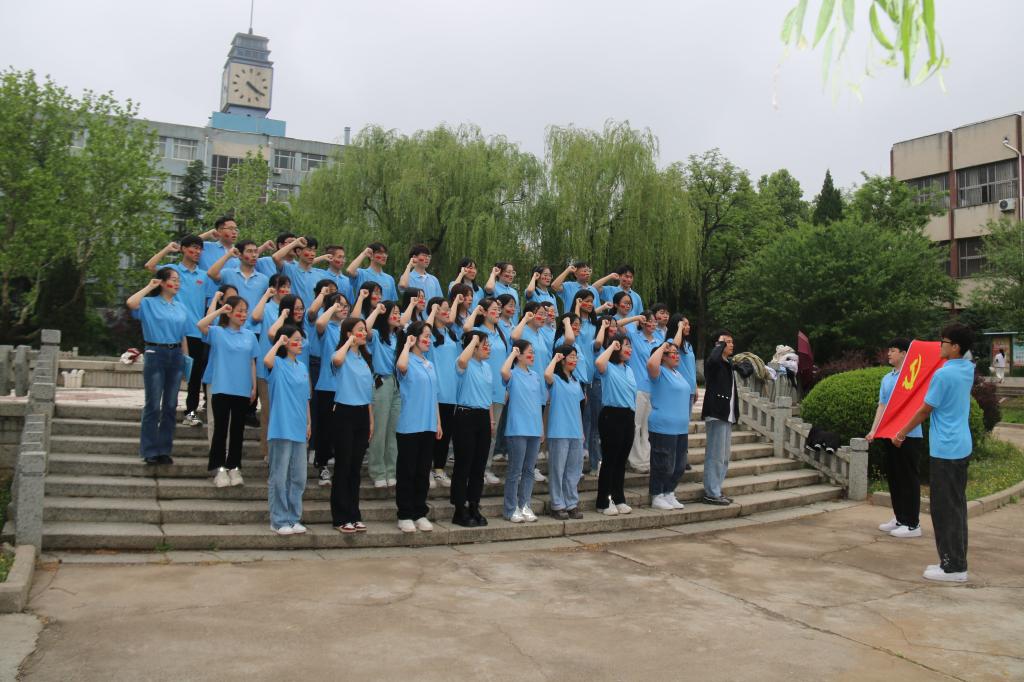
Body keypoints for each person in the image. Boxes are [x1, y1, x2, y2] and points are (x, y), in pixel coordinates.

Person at [894, 323, 976, 583]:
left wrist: (901, 432)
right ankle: (954, 561)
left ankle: (953, 567)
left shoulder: (943, 375)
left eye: (944, 341)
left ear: (956, 347)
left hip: (946, 449)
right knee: (956, 506)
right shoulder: (967, 369)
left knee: (944, 509)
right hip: (961, 445)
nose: (940, 345)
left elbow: (924, 410)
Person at [144, 235, 209, 428]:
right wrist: (167, 249)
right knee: (164, 376)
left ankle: (191, 413)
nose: (197, 251)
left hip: (195, 333)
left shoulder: (204, 276)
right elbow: (150, 266)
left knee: (194, 377)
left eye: (200, 248)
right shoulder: (173, 272)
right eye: (193, 247)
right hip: (172, 333)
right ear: (183, 249)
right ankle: (158, 412)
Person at [126, 268, 190, 465]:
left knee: (170, 405)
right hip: (155, 353)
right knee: (153, 404)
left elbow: (183, 335)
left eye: (179, 280)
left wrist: (186, 360)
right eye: (173, 279)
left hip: (176, 354)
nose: (177, 283)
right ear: (162, 282)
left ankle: (164, 449)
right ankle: (149, 451)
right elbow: (131, 303)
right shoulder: (149, 303)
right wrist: (149, 286)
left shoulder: (181, 307)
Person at [197, 295, 259, 487]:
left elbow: (252, 362)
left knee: (238, 431)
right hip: (222, 387)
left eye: (245, 311)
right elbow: (201, 325)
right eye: (239, 311)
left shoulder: (249, 335)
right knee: (220, 430)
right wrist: (220, 310)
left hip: (242, 389)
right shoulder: (217, 332)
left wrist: (254, 386)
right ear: (229, 312)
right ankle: (220, 468)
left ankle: (234, 467)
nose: (243, 314)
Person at [866, 338, 924, 538]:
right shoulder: (887, 378)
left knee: (908, 479)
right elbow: (882, 406)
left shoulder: (913, 378)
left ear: (904, 353)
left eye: (893, 350)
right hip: (889, 435)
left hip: (909, 436)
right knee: (895, 478)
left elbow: (919, 407)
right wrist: (874, 430)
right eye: (888, 350)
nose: (889, 354)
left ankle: (913, 524)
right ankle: (900, 518)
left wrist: (904, 432)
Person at [329, 314, 380, 533]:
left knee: (355, 468)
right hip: (344, 412)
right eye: (359, 329)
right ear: (349, 333)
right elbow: (337, 361)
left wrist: (370, 420)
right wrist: (349, 341)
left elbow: (367, 394)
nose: (363, 333)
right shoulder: (341, 354)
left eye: (365, 329)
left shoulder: (365, 359)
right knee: (343, 465)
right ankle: (340, 516)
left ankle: (354, 513)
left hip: (362, 413)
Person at [394, 320, 442, 533]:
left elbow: (434, 396)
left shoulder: (429, 363)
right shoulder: (407, 359)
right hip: (410, 425)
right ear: (413, 338)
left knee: (423, 472)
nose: (429, 340)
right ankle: (404, 514)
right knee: (407, 472)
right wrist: (407, 344)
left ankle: (419, 512)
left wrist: (438, 422)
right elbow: (401, 366)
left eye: (430, 336)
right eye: (425, 336)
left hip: (428, 425)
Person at [262, 325, 310, 536]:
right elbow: (267, 361)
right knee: (279, 476)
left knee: (298, 476)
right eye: (295, 340)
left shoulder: (302, 366)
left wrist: (308, 422)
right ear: (286, 341)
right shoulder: (278, 363)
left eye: (301, 340)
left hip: (299, 426)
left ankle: (293, 517)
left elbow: (306, 397)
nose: (299, 344)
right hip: (281, 427)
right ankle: (278, 519)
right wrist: (279, 343)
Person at [312, 292, 358, 486]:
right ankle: (322, 465)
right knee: (326, 429)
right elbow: (319, 323)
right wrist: (332, 307)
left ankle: (341, 468)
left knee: (343, 432)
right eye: (339, 305)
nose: (344, 308)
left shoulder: (349, 330)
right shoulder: (327, 327)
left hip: (346, 387)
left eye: (346, 305)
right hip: (327, 386)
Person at [464, 298, 509, 485]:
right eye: (494, 309)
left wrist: (506, 387)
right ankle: (475, 469)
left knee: (492, 433)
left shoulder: (501, 332)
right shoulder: (478, 332)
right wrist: (477, 311)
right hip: (479, 391)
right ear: (484, 311)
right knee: (478, 435)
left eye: (499, 309)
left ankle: (486, 468)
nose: (498, 312)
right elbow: (466, 329)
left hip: (498, 390)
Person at [451, 331, 493, 527]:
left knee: (479, 466)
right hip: (465, 415)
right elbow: (462, 360)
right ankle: (459, 509)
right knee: (464, 465)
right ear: (473, 347)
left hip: (483, 417)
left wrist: (491, 421)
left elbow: (488, 397)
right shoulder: (464, 363)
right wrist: (475, 339)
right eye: (484, 344)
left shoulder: (487, 367)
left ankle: (474, 505)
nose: (488, 347)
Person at [500, 340, 544, 523]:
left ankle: (525, 504)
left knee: (529, 470)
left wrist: (541, 428)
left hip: (534, 428)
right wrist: (513, 353)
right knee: (515, 470)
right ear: (519, 355)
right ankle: (511, 509)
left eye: (533, 352)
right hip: (517, 428)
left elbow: (538, 403)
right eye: (529, 352)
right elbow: (503, 372)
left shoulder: (536, 376)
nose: (532, 355)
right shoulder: (513, 374)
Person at [250, 275, 293, 459]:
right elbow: (255, 317)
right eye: (282, 286)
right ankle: (267, 451)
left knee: (284, 411)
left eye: (288, 286)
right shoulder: (267, 307)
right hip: (266, 366)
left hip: (287, 367)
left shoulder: (292, 309)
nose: (286, 290)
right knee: (268, 410)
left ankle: (283, 451)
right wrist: (266, 295)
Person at [594, 336, 637, 515]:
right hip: (611, 415)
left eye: (630, 346)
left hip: (628, 415)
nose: (629, 349)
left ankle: (619, 498)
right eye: (626, 345)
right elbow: (598, 362)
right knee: (610, 460)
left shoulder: (629, 370)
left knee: (621, 461)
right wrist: (612, 345)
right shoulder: (608, 367)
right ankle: (604, 501)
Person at [646, 339, 690, 510]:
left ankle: (669, 492)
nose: (677, 356)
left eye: (677, 353)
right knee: (662, 464)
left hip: (680, 428)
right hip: (663, 427)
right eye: (673, 353)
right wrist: (664, 345)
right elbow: (651, 363)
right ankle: (657, 494)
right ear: (663, 356)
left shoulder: (677, 373)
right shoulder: (659, 373)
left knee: (679, 465)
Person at [544, 345, 585, 520]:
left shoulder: (576, 381)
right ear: (562, 359)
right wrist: (555, 358)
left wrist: (581, 431)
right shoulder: (554, 379)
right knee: (557, 470)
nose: (574, 360)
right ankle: (557, 504)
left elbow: (578, 408)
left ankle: (571, 504)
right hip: (559, 431)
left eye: (576, 357)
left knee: (573, 471)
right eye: (571, 356)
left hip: (575, 431)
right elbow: (546, 375)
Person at [426, 296, 461, 489]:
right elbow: (425, 328)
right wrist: (432, 311)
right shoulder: (428, 334)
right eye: (443, 309)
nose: (448, 312)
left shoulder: (452, 334)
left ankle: (439, 468)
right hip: (435, 391)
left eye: (449, 308)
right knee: (431, 432)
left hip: (451, 391)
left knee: (445, 433)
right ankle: (426, 469)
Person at [367, 301, 403, 488]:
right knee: (379, 429)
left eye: (398, 313)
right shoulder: (375, 335)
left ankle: (391, 470)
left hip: (396, 383)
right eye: (393, 313)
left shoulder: (397, 336)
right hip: (381, 382)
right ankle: (377, 471)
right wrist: (377, 310)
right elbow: (364, 329)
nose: (397, 316)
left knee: (393, 430)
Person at [701, 331, 737, 506]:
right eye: (727, 342)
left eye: (731, 342)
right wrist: (720, 343)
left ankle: (717, 489)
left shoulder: (728, 364)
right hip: (716, 413)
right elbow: (713, 360)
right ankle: (711, 492)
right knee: (715, 455)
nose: (731, 345)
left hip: (726, 414)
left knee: (723, 456)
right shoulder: (714, 363)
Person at [625, 311, 663, 474]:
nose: (653, 324)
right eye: (649, 321)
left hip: (654, 388)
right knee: (635, 425)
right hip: (638, 388)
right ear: (642, 323)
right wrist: (635, 318)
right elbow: (617, 325)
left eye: (655, 322)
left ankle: (646, 460)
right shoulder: (634, 337)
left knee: (648, 427)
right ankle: (634, 461)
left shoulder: (659, 341)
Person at [206, 240, 271, 327]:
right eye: (249, 251)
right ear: (240, 255)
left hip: (255, 328)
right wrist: (228, 255)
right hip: (230, 327)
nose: (254, 255)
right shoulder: (228, 273)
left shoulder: (264, 279)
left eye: (256, 251)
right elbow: (211, 273)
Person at [274, 236, 323, 308]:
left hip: (314, 314)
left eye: (314, 251)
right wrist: (295, 243)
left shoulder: (320, 275)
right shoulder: (289, 269)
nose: (312, 254)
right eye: (309, 250)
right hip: (293, 312)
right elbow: (275, 257)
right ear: (298, 251)